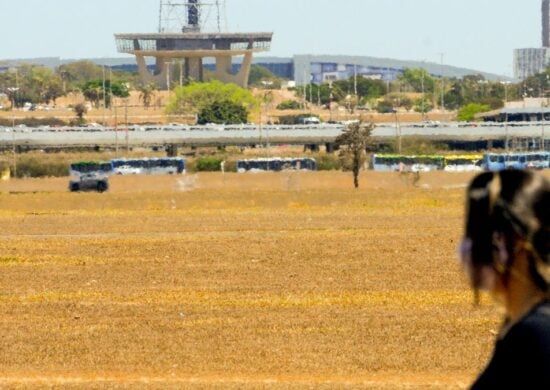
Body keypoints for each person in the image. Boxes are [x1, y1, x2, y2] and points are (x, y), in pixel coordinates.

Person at [459, 169, 550, 389]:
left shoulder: (535, 336)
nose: (467, 246)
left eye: (477, 233)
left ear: (512, 241)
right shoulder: (517, 326)